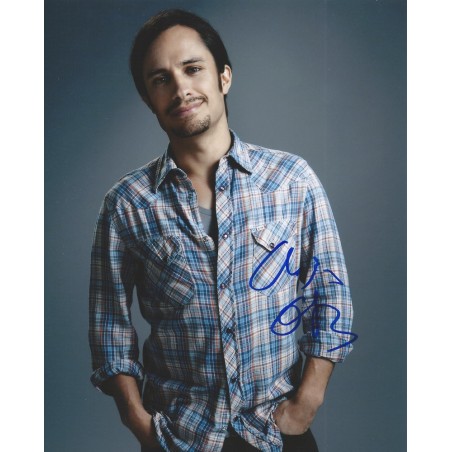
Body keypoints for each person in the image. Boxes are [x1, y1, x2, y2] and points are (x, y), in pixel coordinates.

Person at [89, 9, 355, 452]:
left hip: (276, 430)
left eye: (193, 68)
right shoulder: (127, 204)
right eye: (161, 79)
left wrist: (308, 401)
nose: (180, 89)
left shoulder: (292, 180)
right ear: (148, 99)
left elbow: (330, 295)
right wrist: (139, 423)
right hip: (179, 436)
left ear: (224, 77)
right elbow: (109, 328)